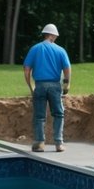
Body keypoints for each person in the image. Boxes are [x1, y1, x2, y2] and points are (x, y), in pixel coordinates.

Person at [22, 23, 71, 152]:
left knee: (39, 116)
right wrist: (66, 84)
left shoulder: (35, 49)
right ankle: (59, 144)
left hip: (40, 85)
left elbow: (27, 69)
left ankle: (39, 143)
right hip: (55, 85)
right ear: (53, 35)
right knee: (58, 114)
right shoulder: (60, 50)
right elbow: (67, 69)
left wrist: (30, 86)